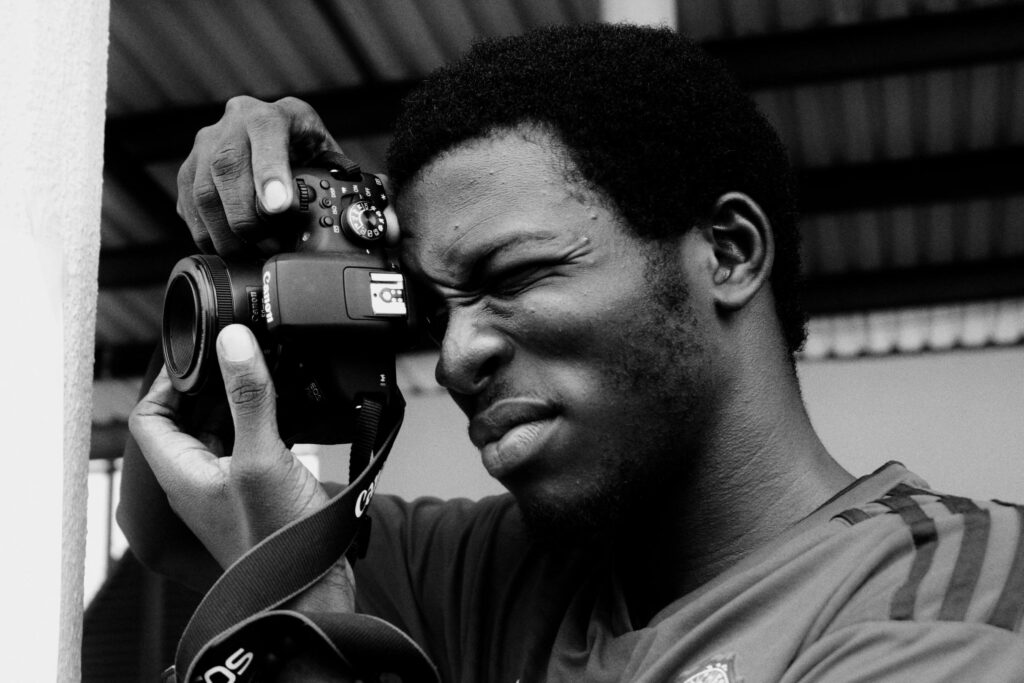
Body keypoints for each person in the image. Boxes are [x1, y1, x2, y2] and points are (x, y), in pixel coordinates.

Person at [120, 23, 1024, 681]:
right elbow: (174, 526)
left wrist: (310, 633)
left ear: (730, 252)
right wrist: (263, 264)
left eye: (512, 277)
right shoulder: (501, 573)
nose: (457, 355)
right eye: (439, 309)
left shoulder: (943, 591)